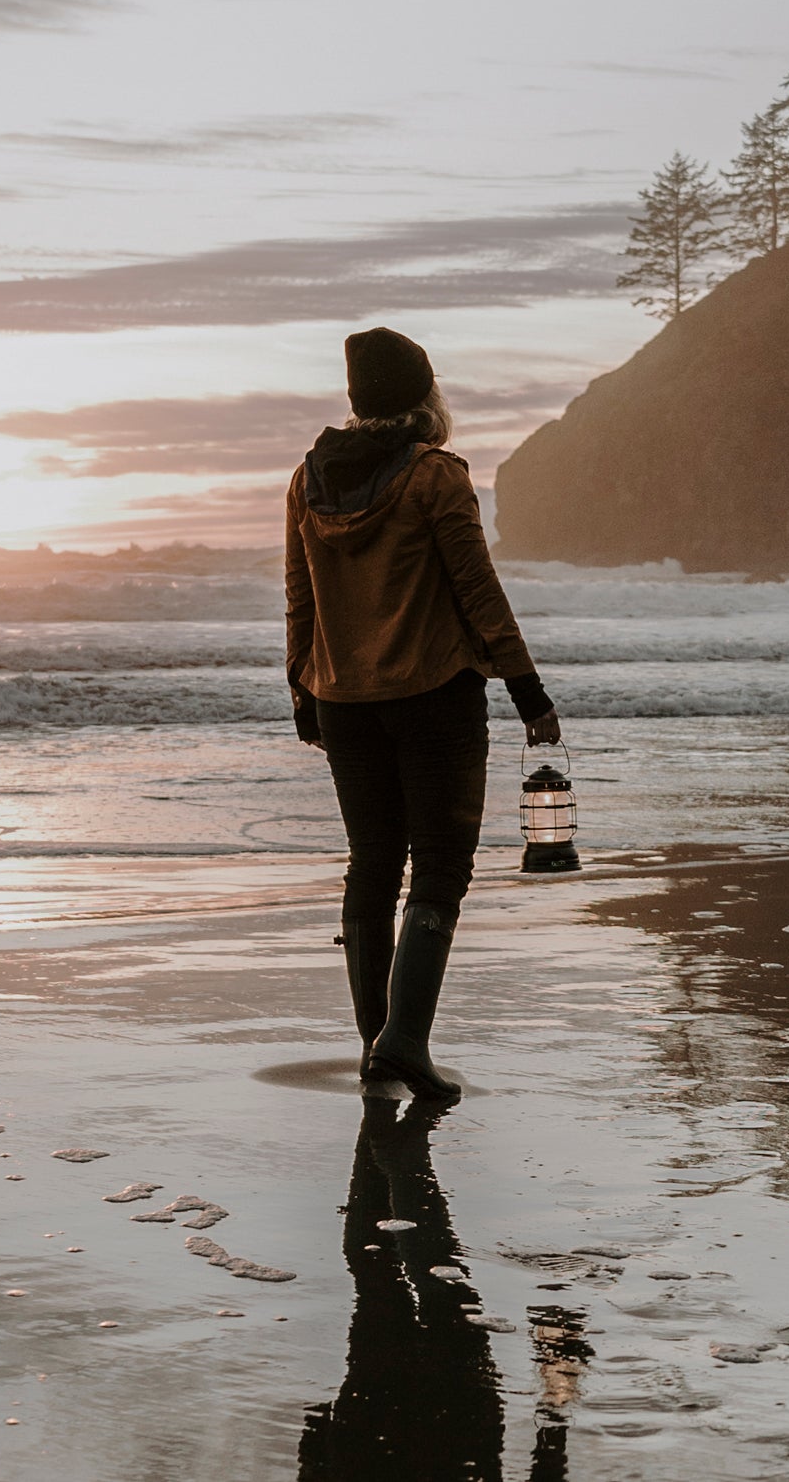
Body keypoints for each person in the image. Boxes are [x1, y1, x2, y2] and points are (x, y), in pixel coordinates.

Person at [285, 326, 559, 1102]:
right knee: (438, 868)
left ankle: (377, 1043)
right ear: (421, 394)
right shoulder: (436, 477)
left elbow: (298, 598)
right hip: (434, 698)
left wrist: (301, 689)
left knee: (372, 862)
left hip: (342, 702)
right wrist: (526, 689)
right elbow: (477, 589)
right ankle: (403, 1040)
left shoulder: (306, 481)